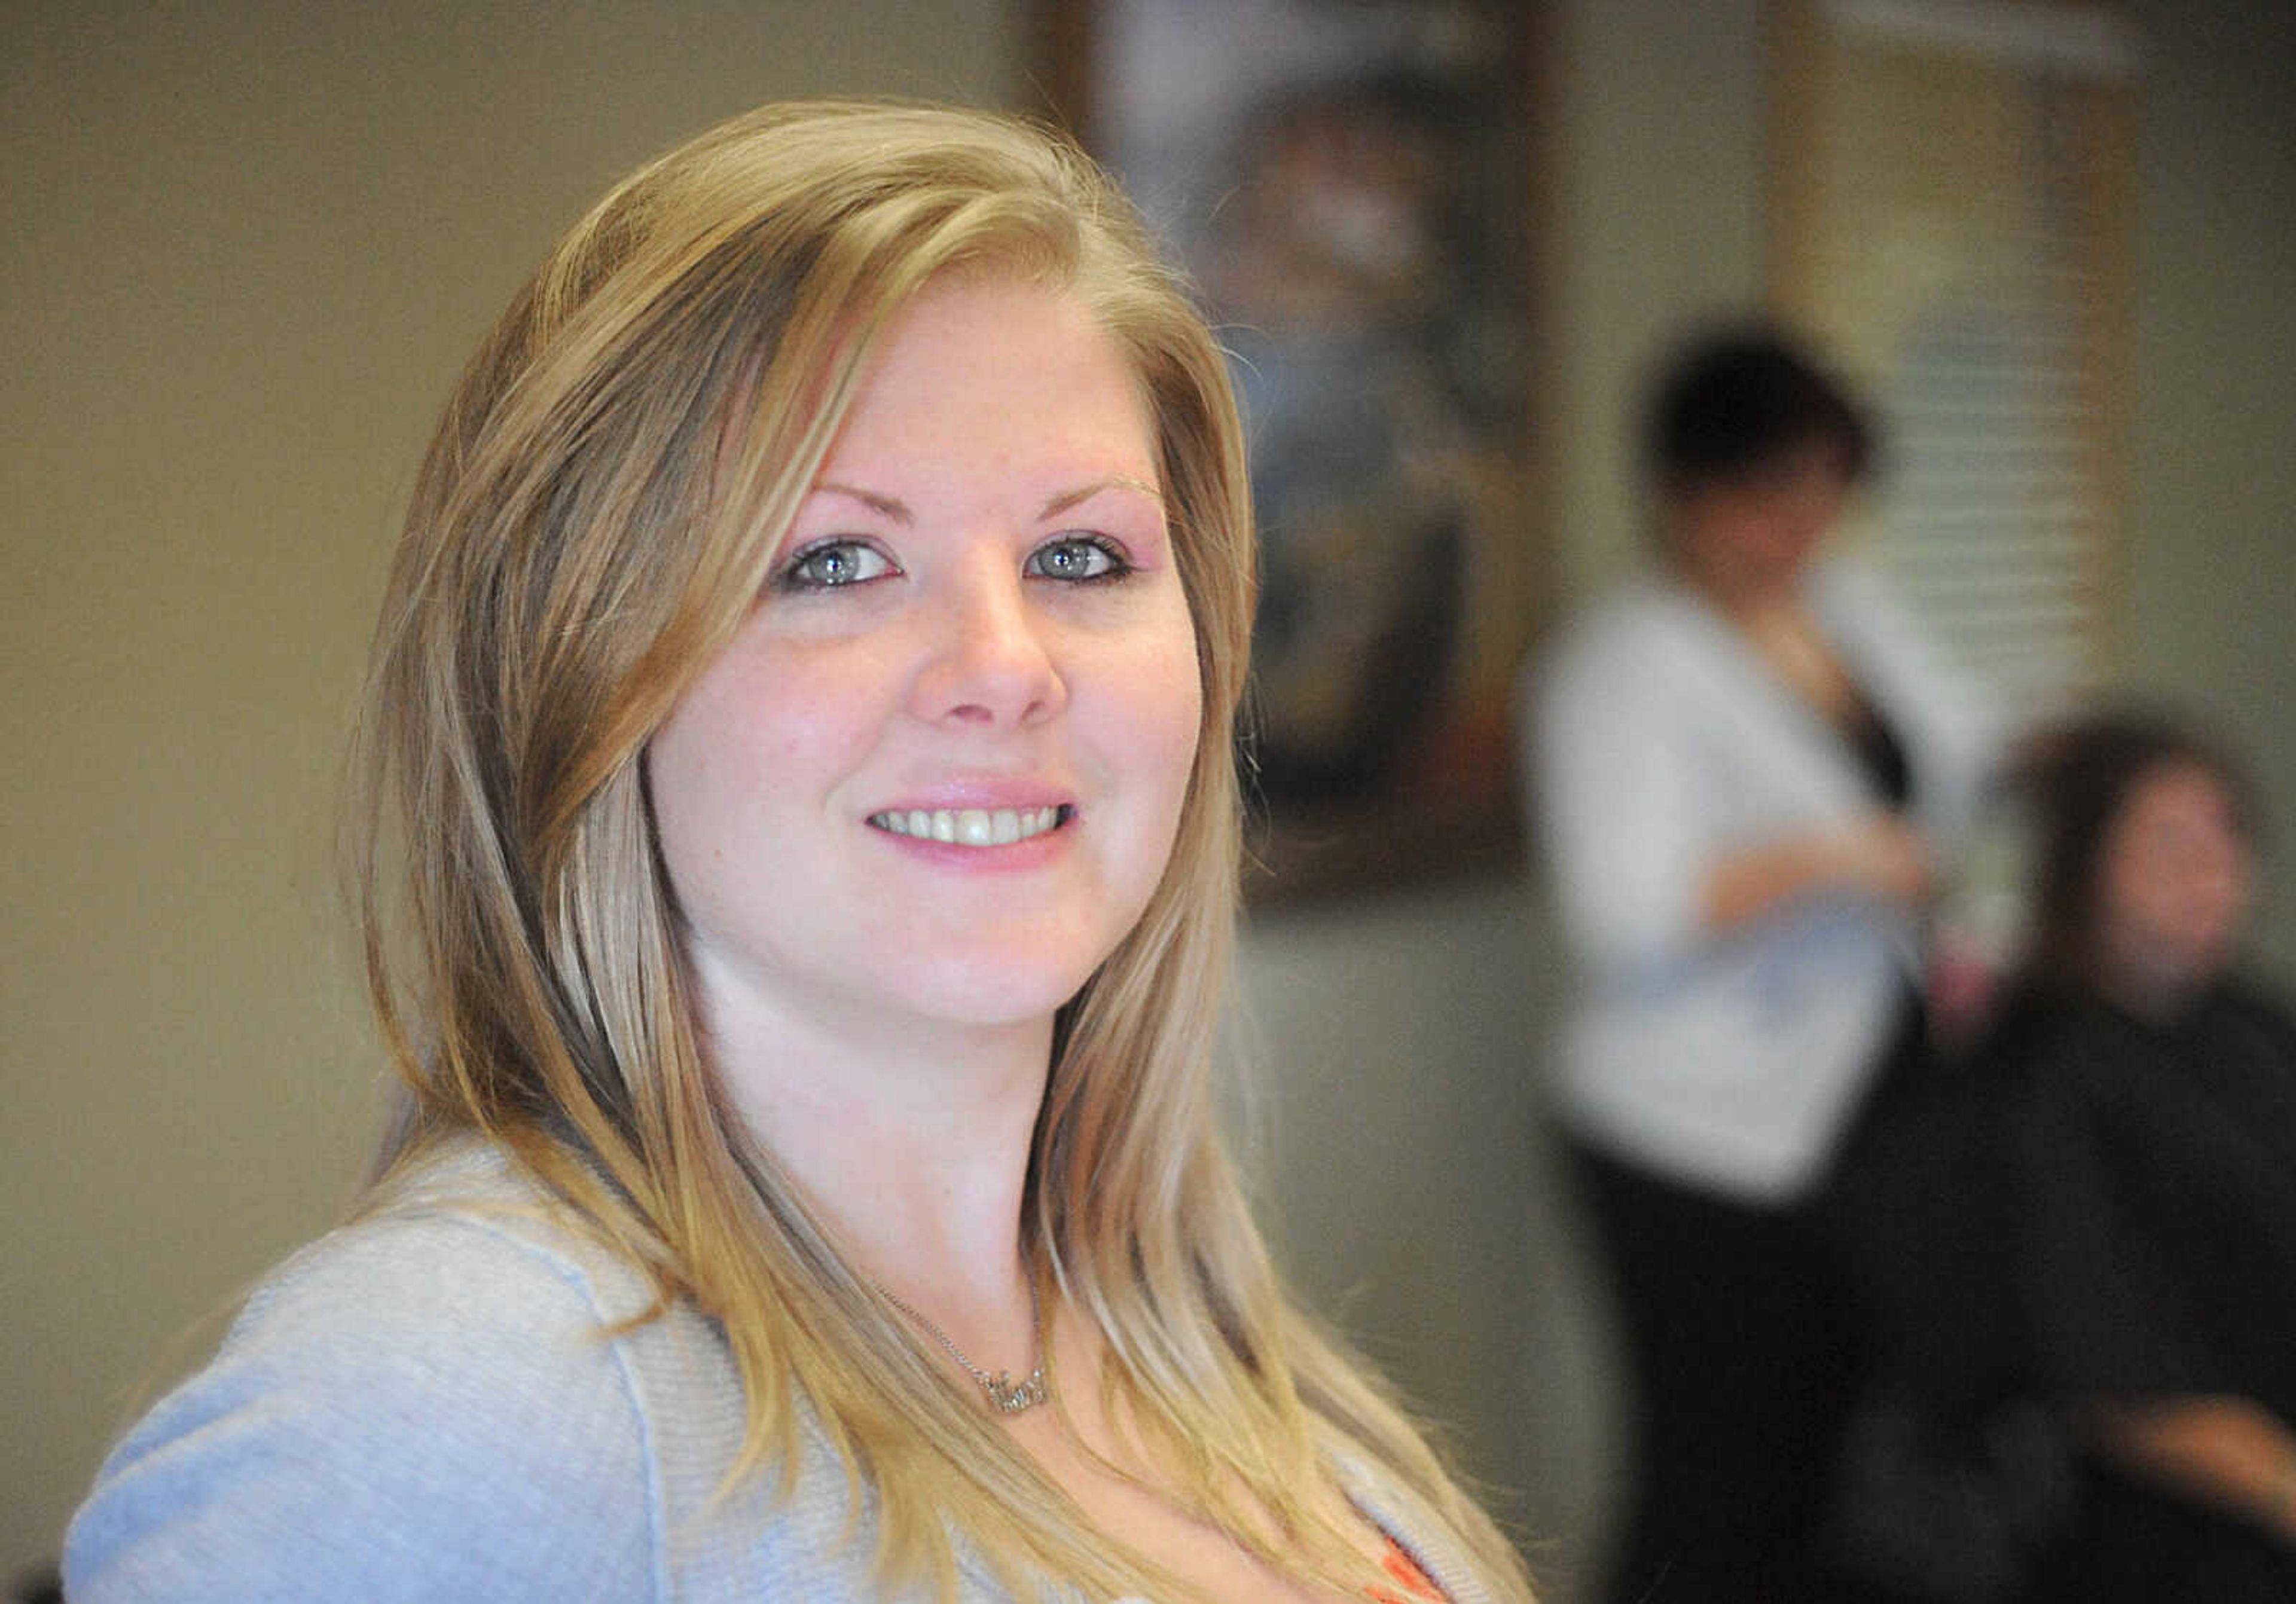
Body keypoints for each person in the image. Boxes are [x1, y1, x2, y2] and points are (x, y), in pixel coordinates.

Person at [64, 100, 1537, 1604]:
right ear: (585, 680)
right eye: (833, 562)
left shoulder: (1179, 1330)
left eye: (1080, 556)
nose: (1004, 663)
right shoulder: (450, 1403)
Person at [1522, 326, 1997, 1602]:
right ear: (1686, 490)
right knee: (1714, 1474)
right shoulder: (1622, 665)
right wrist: (1831, 858)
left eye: (1827, 488)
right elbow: (1625, 916)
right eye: (1772, 491)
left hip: (1853, 1096)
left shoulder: (1846, 610)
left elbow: (1964, 756)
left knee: (1829, 1459)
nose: (1804, 523)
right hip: (1691, 1127)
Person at [1975, 712, 2296, 1600]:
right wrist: (2282, 1487)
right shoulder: (2038, 1078)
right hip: (2176, 1529)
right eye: (2170, 845)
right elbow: (2114, 1381)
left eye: (2228, 838)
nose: (2212, 874)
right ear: (2084, 869)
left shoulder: (2250, 1026)